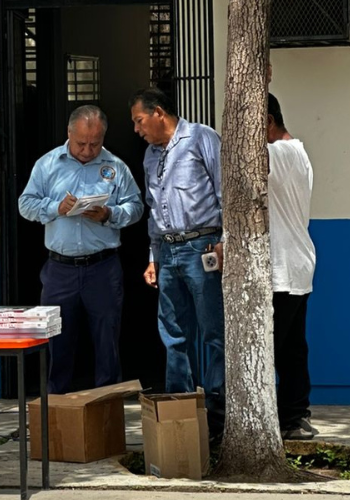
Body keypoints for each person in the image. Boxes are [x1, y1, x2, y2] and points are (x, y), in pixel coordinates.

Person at [19, 105, 143, 393]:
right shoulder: (47, 164)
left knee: (107, 342)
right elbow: (25, 204)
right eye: (81, 143)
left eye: (95, 143)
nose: (88, 150)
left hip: (103, 268)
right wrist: (55, 208)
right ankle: (58, 411)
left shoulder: (116, 167)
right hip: (60, 269)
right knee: (57, 343)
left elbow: (136, 207)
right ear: (69, 133)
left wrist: (109, 215)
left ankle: (106, 410)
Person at [129, 88, 225, 440]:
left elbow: (223, 189)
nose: (137, 130)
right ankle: (180, 407)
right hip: (167, 250)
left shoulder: (201, 137)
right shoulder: (150, 157)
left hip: (202, 245)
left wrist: (226, 239)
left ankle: (218, 410)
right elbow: (154, 211)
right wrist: (153, 258)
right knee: (173, 332)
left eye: (140, 121)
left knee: (214, 330)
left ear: (158, 113)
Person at [266, 93, 318, 440]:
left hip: (282, 267)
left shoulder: (278, 154)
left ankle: (285, 417)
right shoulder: (298, 152)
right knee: (292, 347)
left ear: (266, 120)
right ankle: (295, 416)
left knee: (271, 348)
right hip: (297, 264)